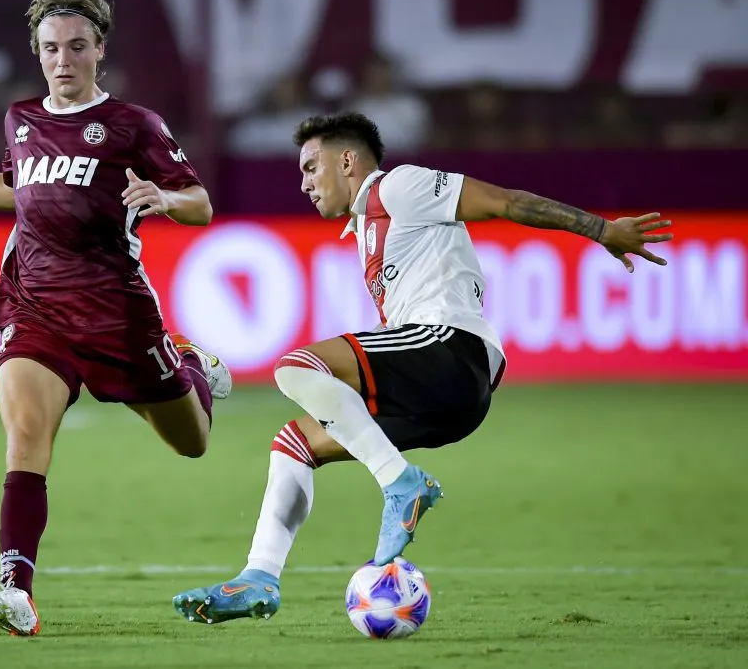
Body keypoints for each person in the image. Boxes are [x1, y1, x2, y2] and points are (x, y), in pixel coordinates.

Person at [173, 112, 673, 624]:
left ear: (346, 160)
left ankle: (401, 483)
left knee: (297, 367)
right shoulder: (368, 226)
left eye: (310, 167)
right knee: (294, 443)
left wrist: (601, 229)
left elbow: (504, 201)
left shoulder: (400, 187)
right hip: (448, 403)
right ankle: (260, 577)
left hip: (452, 351)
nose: (303, 183)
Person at [0, 0, 231, 636]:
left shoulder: (135, 126)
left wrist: (165, 200)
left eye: (75, 47)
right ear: (36, 53)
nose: (62, 60)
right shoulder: (20, 119)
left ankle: (187, 364)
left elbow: (201, 203)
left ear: (99, 49)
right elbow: (12, 191)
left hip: (117, 316)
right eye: (50, 48)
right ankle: (18, 590)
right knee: (25, 437)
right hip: (35, 308)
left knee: (193, 444)